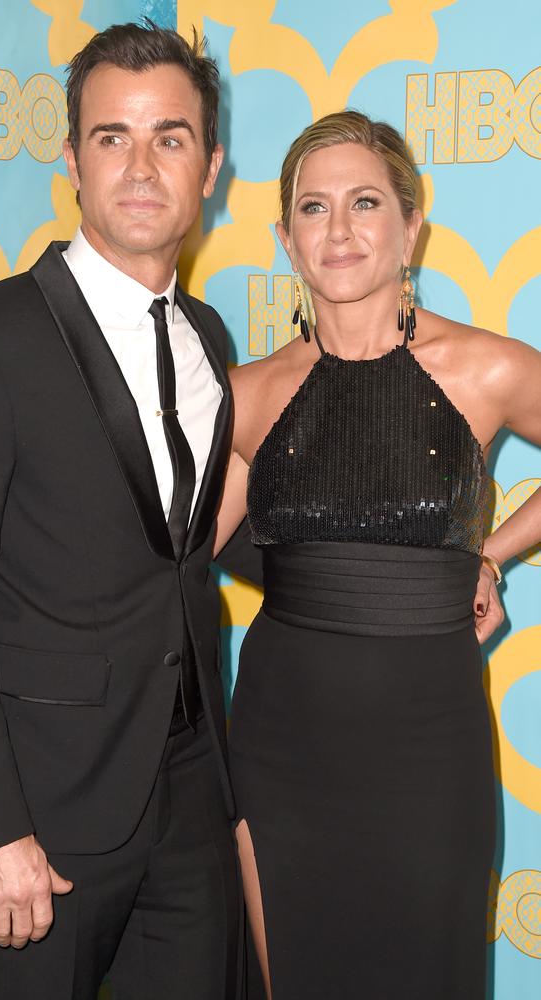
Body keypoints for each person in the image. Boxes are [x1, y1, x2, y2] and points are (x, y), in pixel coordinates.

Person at [0, 22, 261, 1000]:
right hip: (43, 816)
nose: (141, 165)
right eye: (111, 137)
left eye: (170, 137)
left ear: (210, 166)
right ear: (70, 158)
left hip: (191, 794)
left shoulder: (209, 335)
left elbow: (192, 543)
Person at [214, 110, 540, 999]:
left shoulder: (486, 370)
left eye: (365, 202)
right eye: (313, 209)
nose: (341, 229)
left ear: (412, 226)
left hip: (429, 754)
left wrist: (491, 554)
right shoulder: (243, 396)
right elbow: (173, 550)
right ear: (285, 238)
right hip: (281, 749)